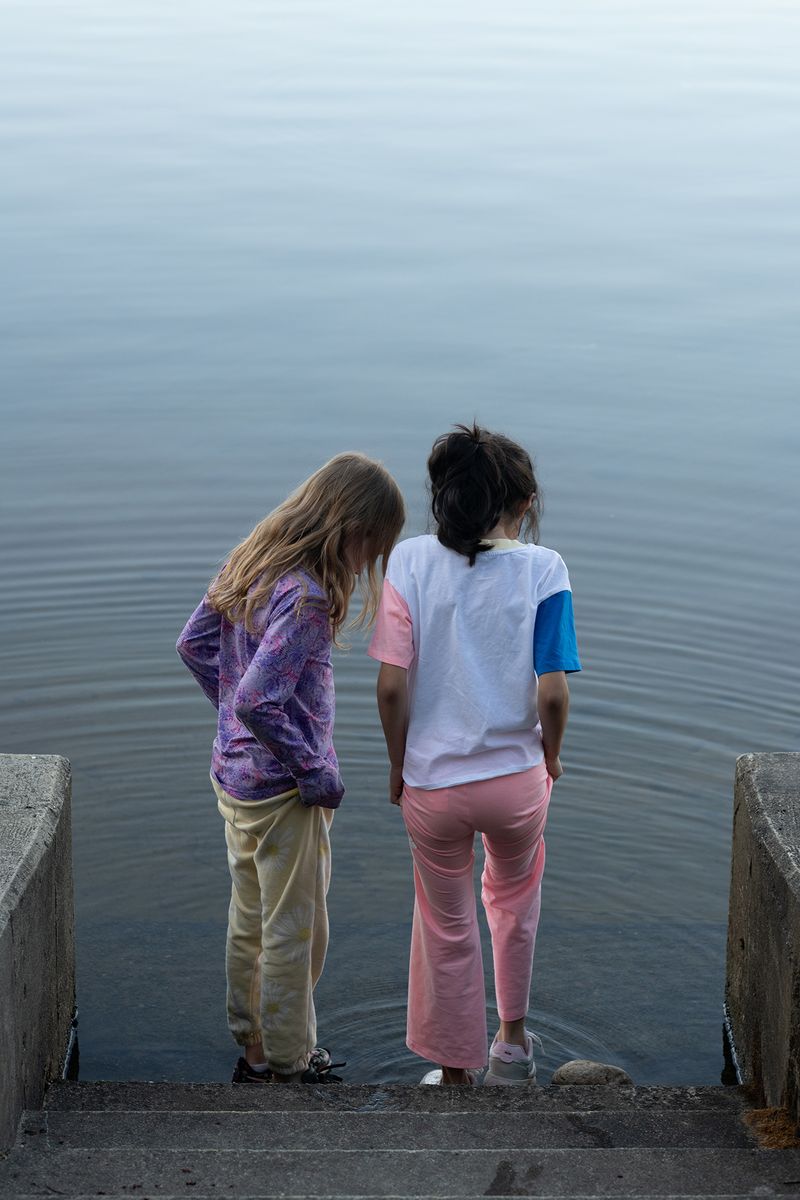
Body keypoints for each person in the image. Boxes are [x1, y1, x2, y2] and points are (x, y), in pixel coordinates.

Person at [177, 453, 405, 1084]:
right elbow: (257, 698)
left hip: (234, 781)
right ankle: (288, 1061)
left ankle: (251, 1047)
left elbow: (194, 646)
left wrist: (231, 728)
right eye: (371, 547)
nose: (366, 564)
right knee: (293, 933)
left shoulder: (251, 560)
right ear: (349, 528)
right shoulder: (306, 599)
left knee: (247, 919)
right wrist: (314, 770)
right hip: (282, 793)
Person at [369, 424, 581, 1086]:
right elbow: (552, 694)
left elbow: (391, 686)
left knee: (446, 926)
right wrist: (551, 758)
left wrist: (398, 766)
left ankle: (456, 1074)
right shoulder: (545, 568)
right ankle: (512, 1046)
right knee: (514, 905)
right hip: (515, 783)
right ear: (520, 502)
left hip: (433, 788)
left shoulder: (406, 562)